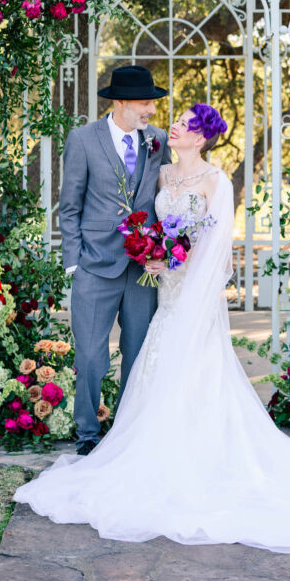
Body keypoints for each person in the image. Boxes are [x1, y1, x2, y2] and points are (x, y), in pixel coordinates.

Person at [15, 102, 290, 555]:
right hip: (163, 289)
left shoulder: (217, 181)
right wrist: (154, 254)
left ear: (201, 137)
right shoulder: (162, 174)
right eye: (173, 119)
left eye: (185, 124)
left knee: (191, 367)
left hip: (192, 295)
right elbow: (147, 220)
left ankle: (196, 458)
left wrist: (176, 264)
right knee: (155, 368)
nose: (171, 124)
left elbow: (215, 250)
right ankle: (140, 448)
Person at [58, 63, 171, 456]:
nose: (151, 111)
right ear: (121, 102)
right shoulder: (84, 139)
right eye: (144, 103)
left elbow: (165, 200)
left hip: (143, 270)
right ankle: (88, 433)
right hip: (94, 265)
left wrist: (166, 250)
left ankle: (125, 434)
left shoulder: (157, 140)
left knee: (137, 355)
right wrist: (74, 260)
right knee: (90, 355)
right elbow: (69, 206)